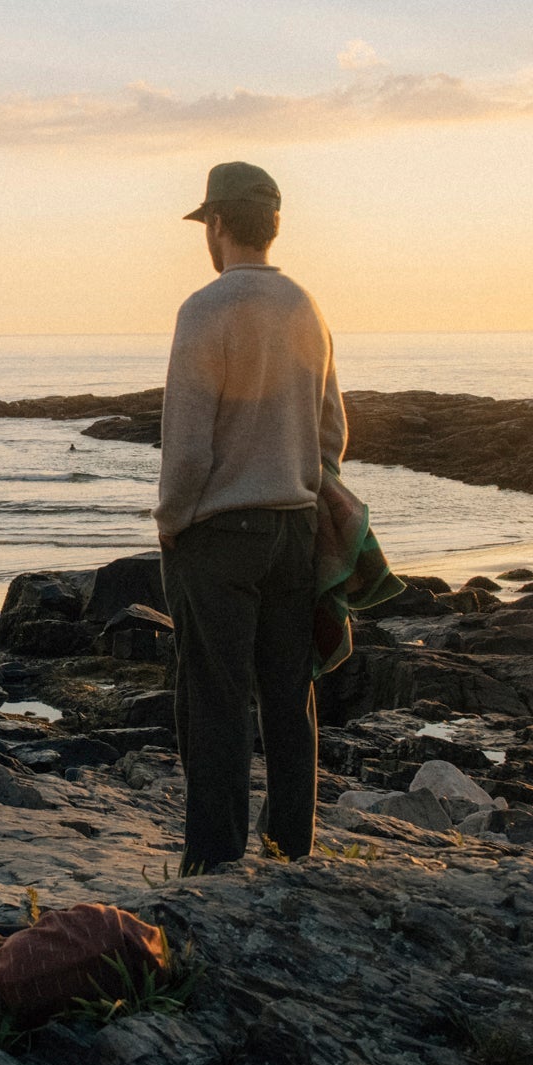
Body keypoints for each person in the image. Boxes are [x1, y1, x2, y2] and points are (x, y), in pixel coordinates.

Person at [155, 161, 345, 872]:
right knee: (289, 699)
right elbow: (333, 435)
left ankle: (214, 864)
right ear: (272, 225)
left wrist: (171, 522)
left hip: (220, 536)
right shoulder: (306, 307)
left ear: (217, 224)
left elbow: (188, 447)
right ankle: (290, 849)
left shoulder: (204, 310)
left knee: (216, 704)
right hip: (295, 526)